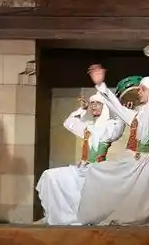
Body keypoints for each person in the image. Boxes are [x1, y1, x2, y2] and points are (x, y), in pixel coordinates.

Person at [77, 63, 149, 226]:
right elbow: (116, 106)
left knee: (141, 203)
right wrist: (101, 85)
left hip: (144, 164)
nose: (138, 91)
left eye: (143, 89)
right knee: (96, 171)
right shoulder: (136, 116)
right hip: (129, 160)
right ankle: (101, 213)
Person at [36, 93, 125, 225]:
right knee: (49, 176)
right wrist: (82, 109)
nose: (93, 106)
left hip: (97, 170)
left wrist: (117, 106)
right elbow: (68, 123)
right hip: (82, 169)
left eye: (97, 103)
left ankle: (80, 217)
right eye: (92, 103)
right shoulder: (88, 127)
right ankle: (51, 215)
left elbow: (119, 126)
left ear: (105, 106)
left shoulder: (110, 126)